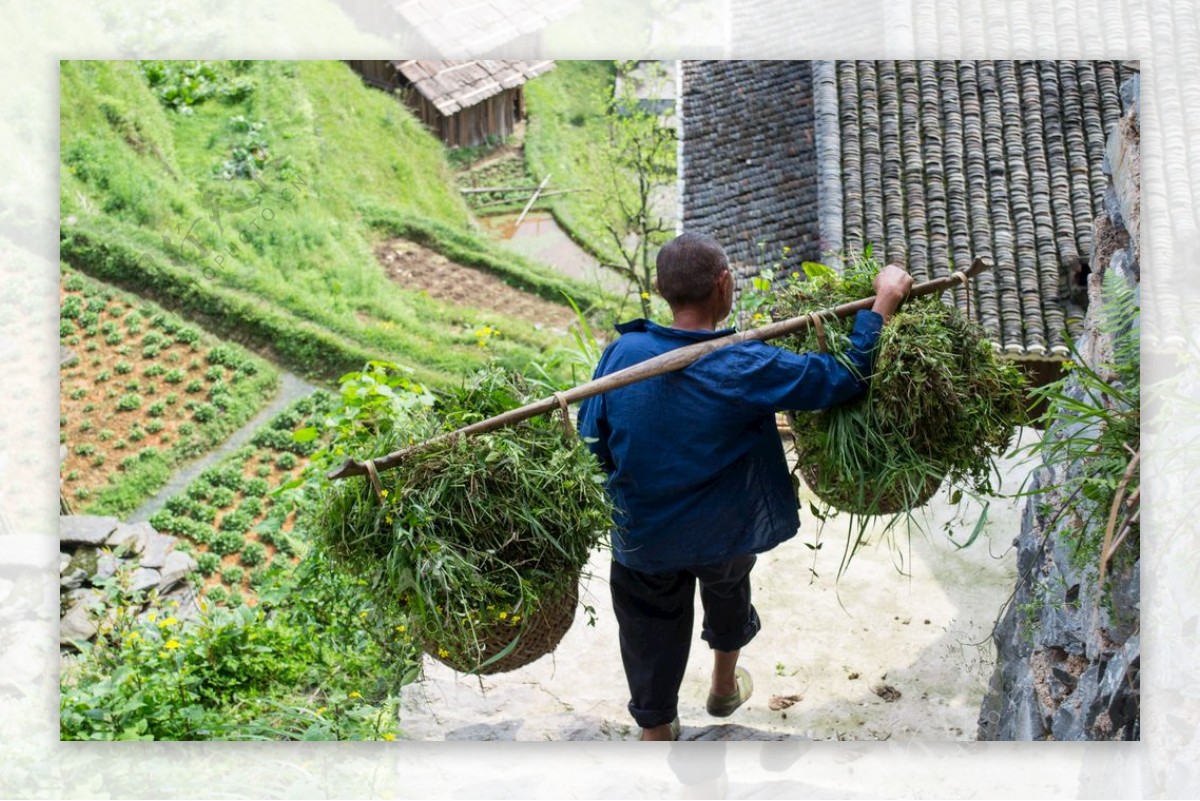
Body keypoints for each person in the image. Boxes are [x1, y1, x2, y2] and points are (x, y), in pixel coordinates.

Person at [577, 232, 913, 741]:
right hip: (723, 533)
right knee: (728, 584)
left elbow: (591, 436)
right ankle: (723, 683)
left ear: (661, 289)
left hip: (642, 534)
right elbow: (840, 377)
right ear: (724, 284)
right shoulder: (743, 362)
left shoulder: (622, 354)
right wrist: (882, 304)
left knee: (648, 625)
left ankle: (655, 729)